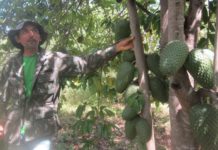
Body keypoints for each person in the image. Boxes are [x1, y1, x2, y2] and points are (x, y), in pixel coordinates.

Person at [0, 20, 134, 150]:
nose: (31, 34)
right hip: (15, 132)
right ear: (18, 39)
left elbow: (85, 63)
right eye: (25, 31)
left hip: (42, 132)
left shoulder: (54, 60)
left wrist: (116, 48)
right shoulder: (10, 66)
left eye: (35, 31)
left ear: (40, 37)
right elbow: (2, 96)